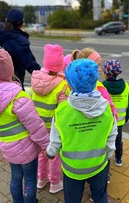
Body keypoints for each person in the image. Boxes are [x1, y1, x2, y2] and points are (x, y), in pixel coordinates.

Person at [0, 49, 50, 203]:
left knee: (16, 177)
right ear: (10, 69)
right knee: (30, 180)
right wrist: (46, 145)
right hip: (26, 147)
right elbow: (35, 126)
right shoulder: (18, 97)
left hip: (7, 145)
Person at [46, 59, 117, 203]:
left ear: (70, 84)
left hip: (72, 169)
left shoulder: (61, 112)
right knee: (100, 196)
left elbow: (55, 141)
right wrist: (109, 154)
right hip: (99, 165)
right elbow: (112, 136)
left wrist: (50, 153)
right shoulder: (107, 109)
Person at [30, 44, 67, 194]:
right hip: (53, 127)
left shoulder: (35, 80)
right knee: (54, 155)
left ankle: (41, 179)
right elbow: (63, 111)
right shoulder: (62, 85)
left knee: (41, 153)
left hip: (38, 126)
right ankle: (55, 182)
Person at [0, 9, 41, 90]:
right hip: (13, 82)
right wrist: (45, 75)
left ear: (6, 20)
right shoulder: (18, 41)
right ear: (22, 23)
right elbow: (30, 64)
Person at [71, 47, 118, 120]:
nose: (100, 69)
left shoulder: (71, 84)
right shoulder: (99, 87)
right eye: (97, 65)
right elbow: (110, 107)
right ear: (87, 67)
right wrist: (115, 118)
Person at [102, 59, 129, 167]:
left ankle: (106, 162)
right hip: (120, 121)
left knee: (106, 142)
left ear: (106, 73)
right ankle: (118, 159)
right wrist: (126, 117)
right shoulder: (126, 86)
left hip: (107, 121)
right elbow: (128, 105)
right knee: (118, 140)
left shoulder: (102, 86)